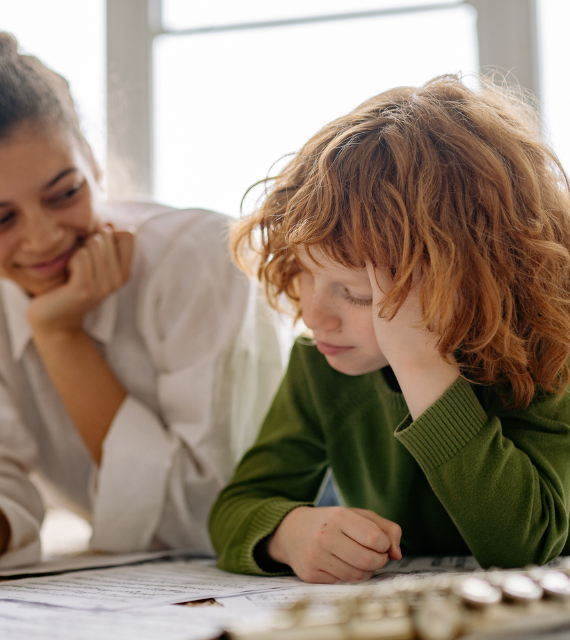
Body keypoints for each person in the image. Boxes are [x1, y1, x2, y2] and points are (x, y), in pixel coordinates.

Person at [0, 1, 284, 591]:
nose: (43, 237)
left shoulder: (200, 260)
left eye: (63, 193)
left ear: (93, 162)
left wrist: (59, 335)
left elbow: (209, 515)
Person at [210, 74, 570, 583]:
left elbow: (524, 542)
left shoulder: (552, 352)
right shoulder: (322, 362)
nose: (313, 316)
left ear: (466, 282)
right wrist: (289, 532)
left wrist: (421, 363)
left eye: (356, 293)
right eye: (307, 274)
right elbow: (236, 507)